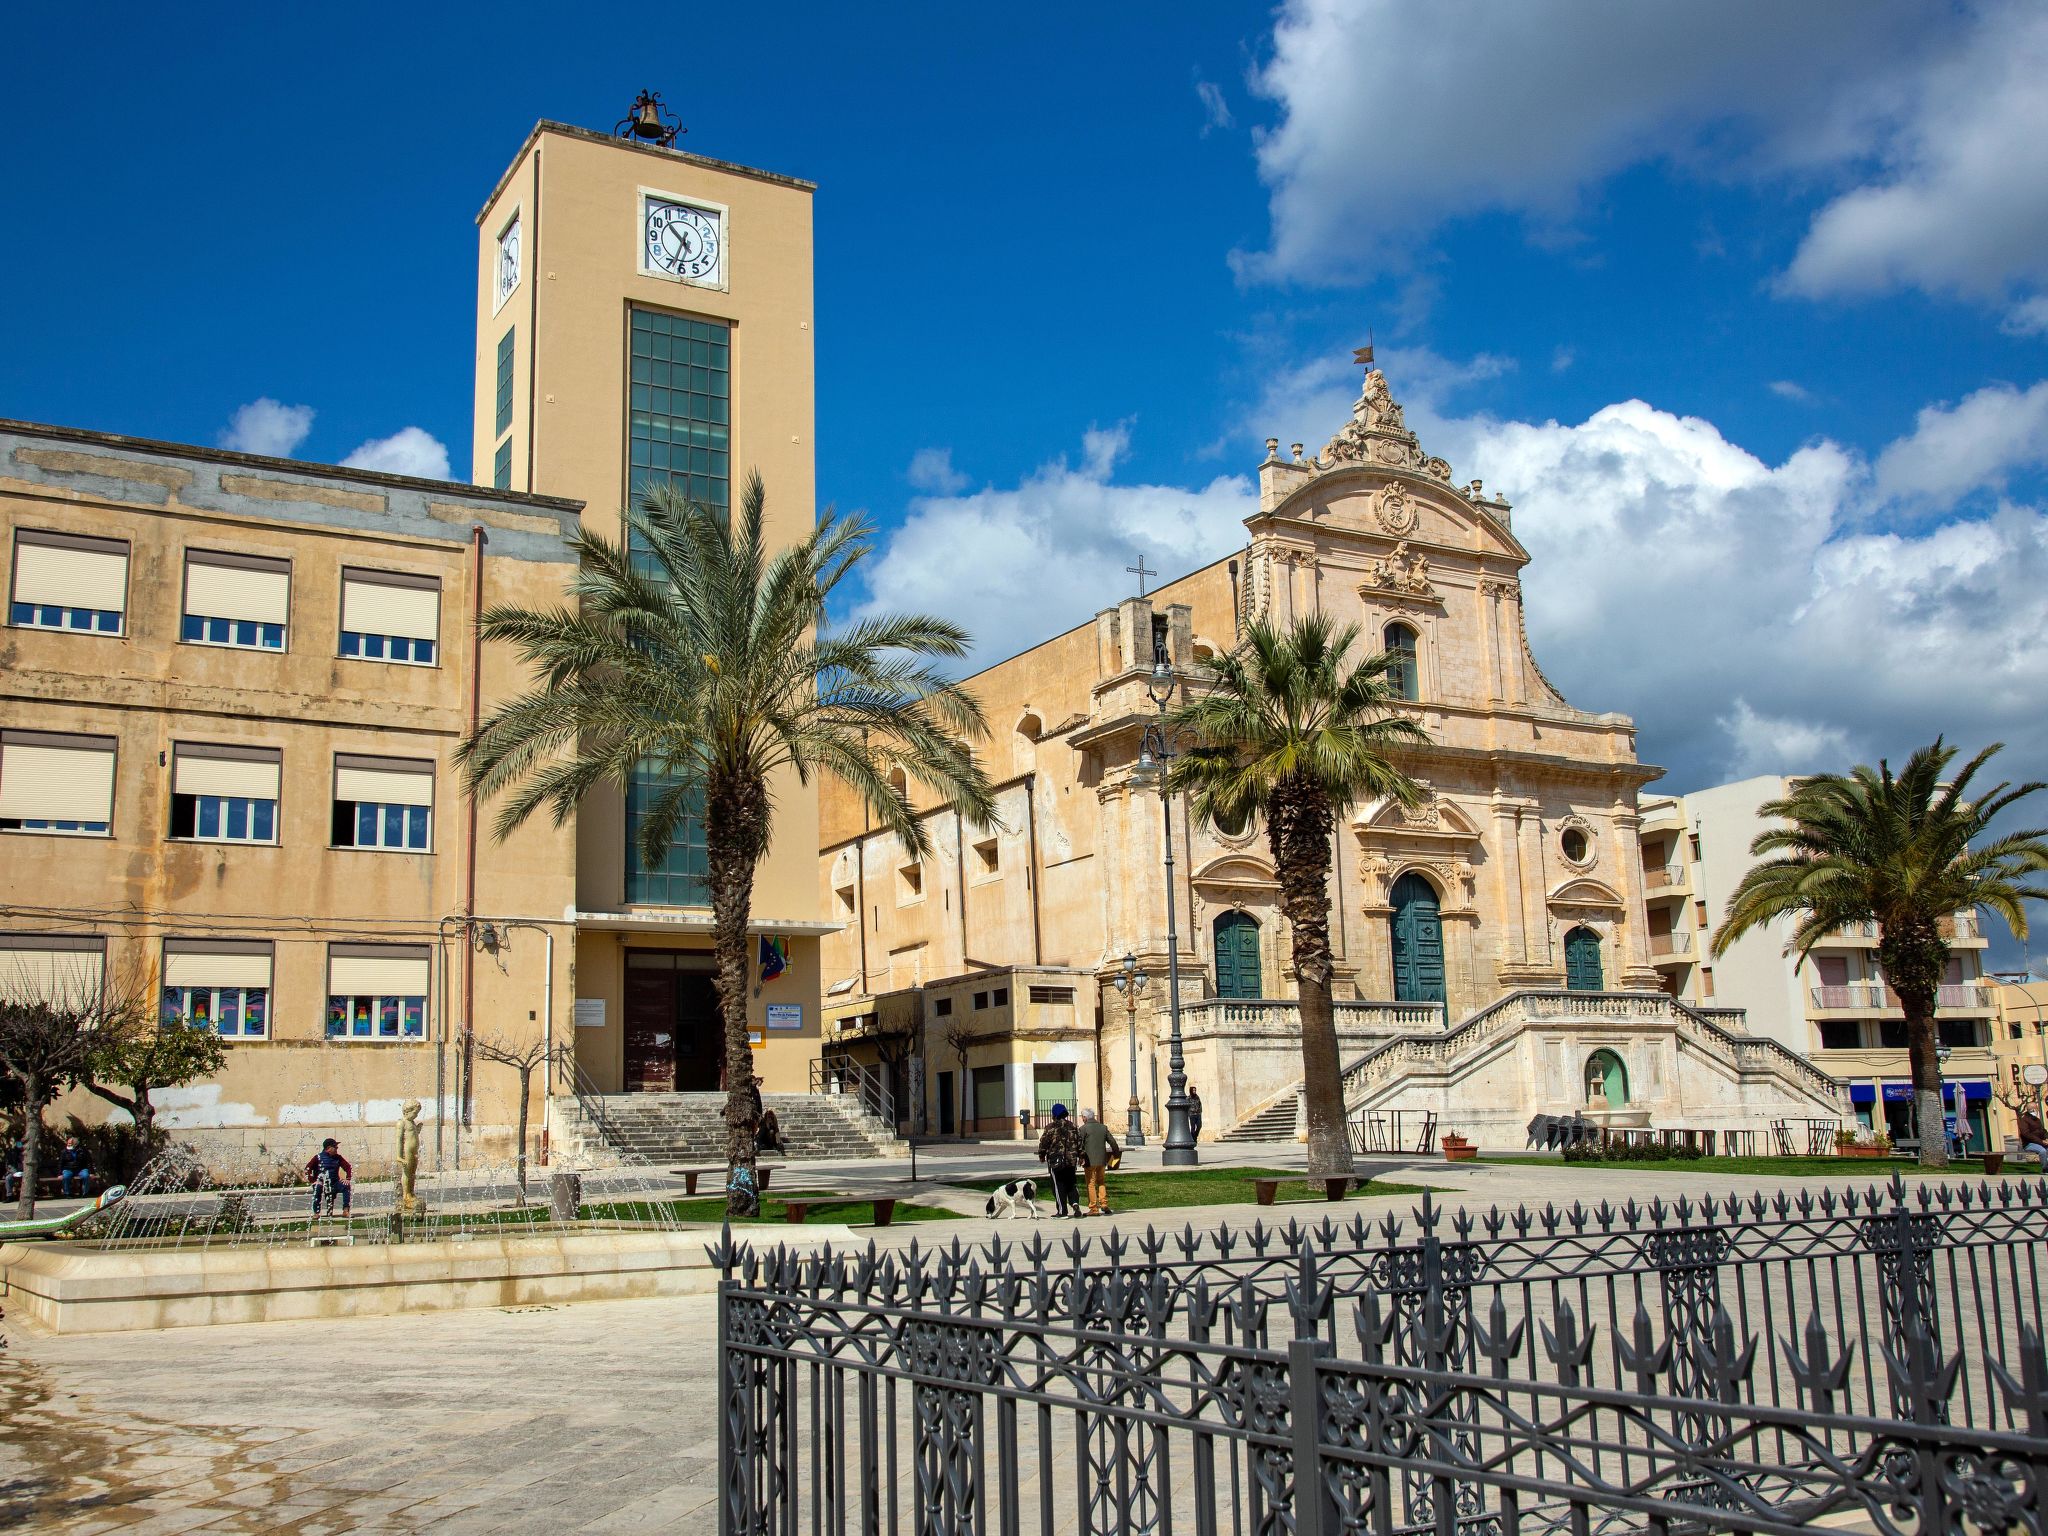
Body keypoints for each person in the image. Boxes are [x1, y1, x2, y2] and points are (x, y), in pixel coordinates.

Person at [1035, 1103, 1083, 1218]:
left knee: (1058, 1185)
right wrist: (1081, 1156)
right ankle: (1075, 1203)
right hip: (1071, 1161)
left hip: (1056, 1161)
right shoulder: (1073, 1126)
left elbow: (1044, 1143)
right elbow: (1079, 1143)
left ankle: (1062, 1211)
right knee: (1071, 1182)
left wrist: (1041, 1155)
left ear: (1054, 1114)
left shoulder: (1051, 1127)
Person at [1079, 1106, 1120, 1217]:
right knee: (1101, 1182)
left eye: (1082, 1117)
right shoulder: (1103, 1127)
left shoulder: (1083, 1129)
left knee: (1091, 1184)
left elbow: (1080, 1145)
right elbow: (1113, 1142)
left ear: (1085, 1117)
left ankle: (1093, 1208)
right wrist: (1116, 1154)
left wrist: (1080, 1157)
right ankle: (1104, 1204)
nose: (1082, 1119)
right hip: (1102, 1160)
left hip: (1089, 1161)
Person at [304, 1138, 353, 1216]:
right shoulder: (318, 1157)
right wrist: (313, 1181)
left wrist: (348, 1178)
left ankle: (345, 1210)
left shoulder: (338, 1157)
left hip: (335, 1182)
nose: (337, 1148)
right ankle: (316, 1213)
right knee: (317, 1187)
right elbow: (307, 1169)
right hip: (322, 1183)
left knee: (346, 1186)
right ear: (328, 1148)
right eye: (335, 1147)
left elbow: (348, 1167)